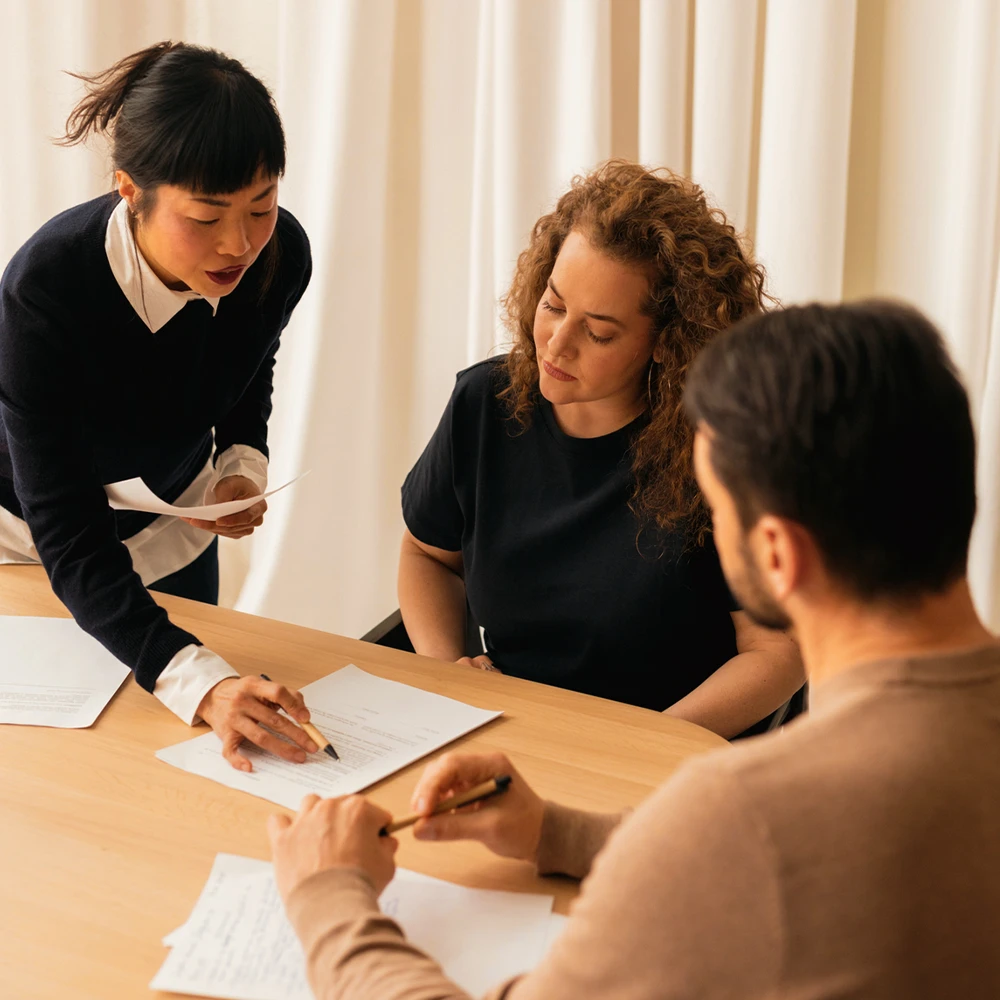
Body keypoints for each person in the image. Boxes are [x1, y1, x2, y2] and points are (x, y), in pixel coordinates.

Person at [267, 300, 1000, 998]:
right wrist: (558, 832)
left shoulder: (744, 816)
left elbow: (750, 844)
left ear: (776, 553)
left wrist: (330, 897)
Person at [398, 161, 802, 737]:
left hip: (670, 748)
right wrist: (448, 675)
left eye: (599, 331)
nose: (555, 345)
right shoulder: (484, 404)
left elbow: (777, 651)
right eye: (554, 305)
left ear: (667, 344)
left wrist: (640, 746)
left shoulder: (727, 454)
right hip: (513, 731)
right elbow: (426, 557)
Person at [0, 42, 317, 770]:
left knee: (182, 764)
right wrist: (203, 686)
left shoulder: (280, 254)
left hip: (169, 521)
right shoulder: (43, 294)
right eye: (206, 217)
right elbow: (70, 537)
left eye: (261, 205)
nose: (239, 243)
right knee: (63, 773)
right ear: (128, 189)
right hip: (27, 542)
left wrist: (237, 464)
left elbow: (247, 361)